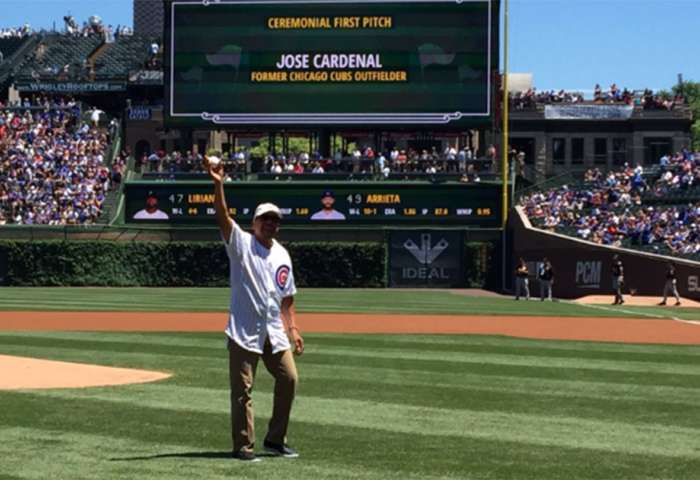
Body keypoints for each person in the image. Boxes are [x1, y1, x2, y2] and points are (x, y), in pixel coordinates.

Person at [206, 156, 304, 462]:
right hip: (244, 329)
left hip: (274, 330)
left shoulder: (283, 254)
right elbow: (222, 217)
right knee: (242, 392)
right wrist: (218, 185)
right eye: (266, 219)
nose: (271, 223)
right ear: (255, 223)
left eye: (275, 220)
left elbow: (287, 297)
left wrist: (293, 328)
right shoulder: (241, 244)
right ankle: (243, 447)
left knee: (289, 379)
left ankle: (275, 439)